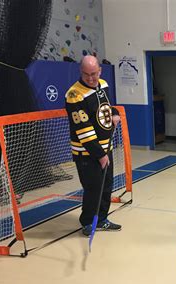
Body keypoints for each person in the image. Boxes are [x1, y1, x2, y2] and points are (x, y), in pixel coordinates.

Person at [65, 55, 122, 236]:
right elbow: (83, 129)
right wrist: (100, 154)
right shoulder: (74, 95)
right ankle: (88, 222)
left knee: (106, 185)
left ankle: (102, 219)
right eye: (86, 74)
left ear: (100, 71)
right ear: (80, 72)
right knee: (93, 188)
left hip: (106, 147)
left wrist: (114, 113)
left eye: (94, 73)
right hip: (88, 153)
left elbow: (106, 105)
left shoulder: (103, 84)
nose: (91, 78)